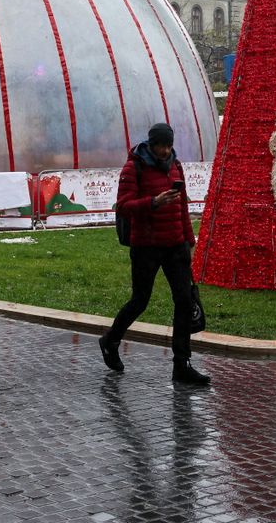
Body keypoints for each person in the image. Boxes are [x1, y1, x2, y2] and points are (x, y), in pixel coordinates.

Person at [98, 122, 210, 385]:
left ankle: (181, 364)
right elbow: (123, 206)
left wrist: (187, 239)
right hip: (146, 246)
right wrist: (153, 202)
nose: (165, 150)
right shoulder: (134, 166)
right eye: (161, 145)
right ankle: (110, 340)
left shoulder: (175, 164)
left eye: (169, 145)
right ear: (151, 143)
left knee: (184, 301)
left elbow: (182, 204)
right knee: (140, 300)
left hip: (175, 246)